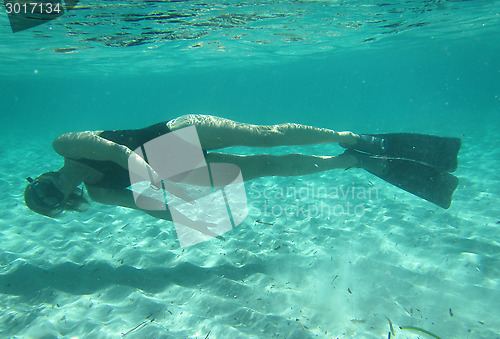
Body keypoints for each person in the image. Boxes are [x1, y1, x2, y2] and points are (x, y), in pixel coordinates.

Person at [24, 114, 461, 223]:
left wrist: (142, 169)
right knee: (264, 167)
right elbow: (150, 207)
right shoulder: (99, 195)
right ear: (63, 204)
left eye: (42, 190)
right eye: (51, 202)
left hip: (167, 139)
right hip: (168, 168)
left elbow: (113, 151)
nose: (53, 191)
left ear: (40, 178)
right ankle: (351, 160)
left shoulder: (64, 146)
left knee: (264, 136)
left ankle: (350, 137)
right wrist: (186, 213)